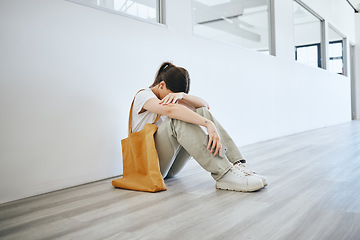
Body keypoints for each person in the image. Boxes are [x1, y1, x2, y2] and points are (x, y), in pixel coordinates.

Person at [130, 62, 267, 192]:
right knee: (176, 119)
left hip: (169, 167)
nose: (173, 100)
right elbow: (171, 111)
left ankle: (238, 164)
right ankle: (224, 173)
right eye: (171, 95)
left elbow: (204, 106)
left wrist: (182, 96)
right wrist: (208, 124)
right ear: (161, 85)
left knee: (200, 112)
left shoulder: (169, 96)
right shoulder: (143, 95)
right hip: (147, 167)